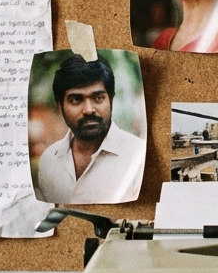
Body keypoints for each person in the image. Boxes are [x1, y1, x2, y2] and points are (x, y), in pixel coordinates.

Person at [36, 54, 145, 204]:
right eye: (76, 100)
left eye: (98, 98)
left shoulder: (139, 157)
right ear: (59, 107)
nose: (88, 109)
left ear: (111, 100)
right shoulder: (49, 160)